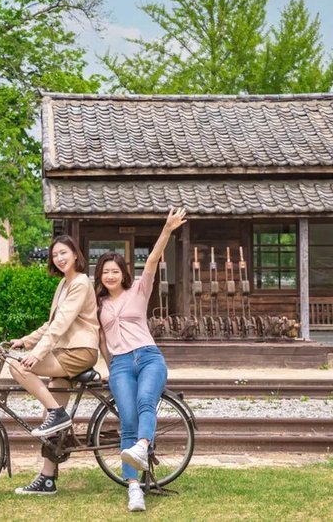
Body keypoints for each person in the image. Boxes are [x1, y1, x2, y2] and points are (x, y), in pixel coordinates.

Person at [95, 207, 187, 513]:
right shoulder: (98, 305)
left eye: (115, 270)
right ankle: (134, 490)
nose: (110, 275)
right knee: (128, 422)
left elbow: (151, 260)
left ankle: (142, 450)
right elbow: (98, 341)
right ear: (100, 275)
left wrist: (167, 228)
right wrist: (106, 368)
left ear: (123, 273)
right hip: (120, 364)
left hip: (149, 357)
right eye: (105, 271)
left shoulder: (138, 290)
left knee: (147, 402)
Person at [8, 234, 100, 495]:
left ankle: (57, 414)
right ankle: (47, 479)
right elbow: (51, 324)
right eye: (55, 255)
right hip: (66, 350)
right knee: (50, 420)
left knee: (18, 367)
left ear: (75, 255)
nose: (59, 258)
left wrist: (37, 354)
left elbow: (62, 325)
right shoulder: (64, 284)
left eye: (64, 253)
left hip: (79, 350)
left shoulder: (80, 283)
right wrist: (25, 341)